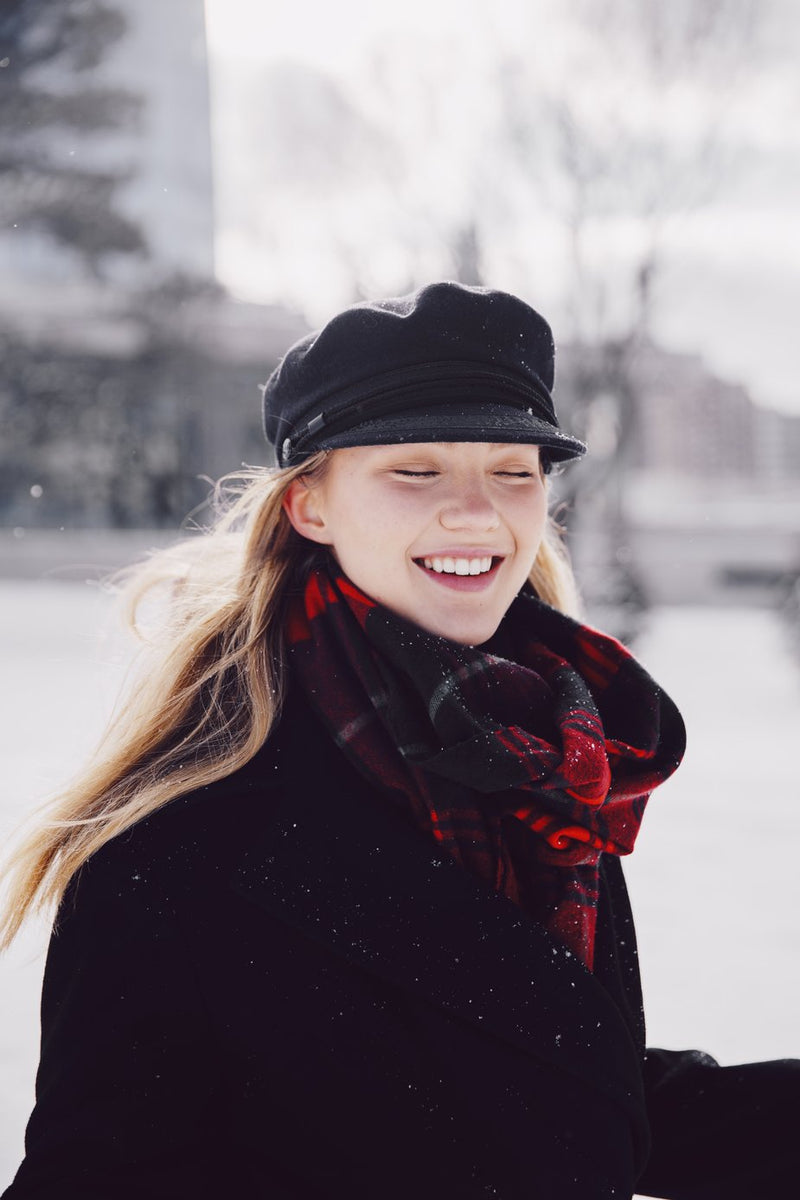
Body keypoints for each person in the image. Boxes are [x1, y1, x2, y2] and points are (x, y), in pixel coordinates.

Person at [1, 281, 797, 1199]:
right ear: (311, 506)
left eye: (514, 470)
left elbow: (542, 1083)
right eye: (415, 471)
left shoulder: (547, 759)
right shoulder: (177, 844)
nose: (476, 512)